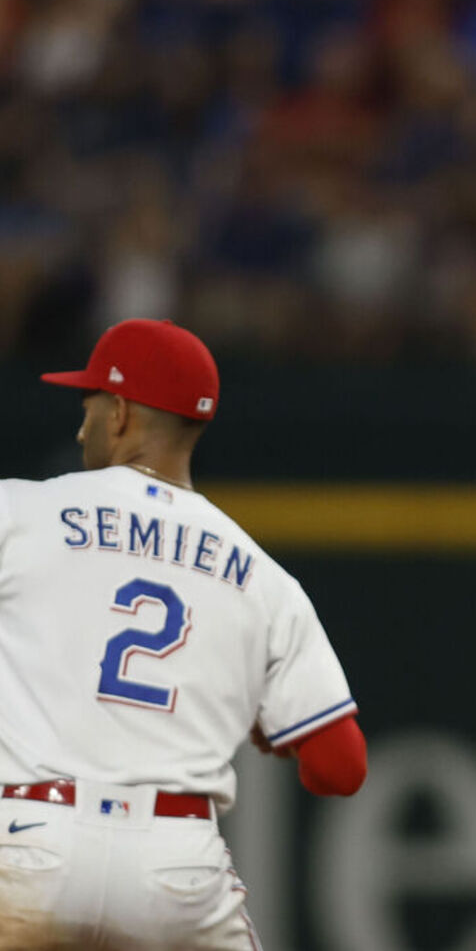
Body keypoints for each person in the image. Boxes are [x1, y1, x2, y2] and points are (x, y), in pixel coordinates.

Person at [0, 318, 368, 950]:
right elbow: (341, 767)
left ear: (117, 414)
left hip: (30, 839)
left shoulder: (18, 511)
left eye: (88, 405)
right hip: (174, 869)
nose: (81, 425)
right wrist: (275, 737)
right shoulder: (263, 577)